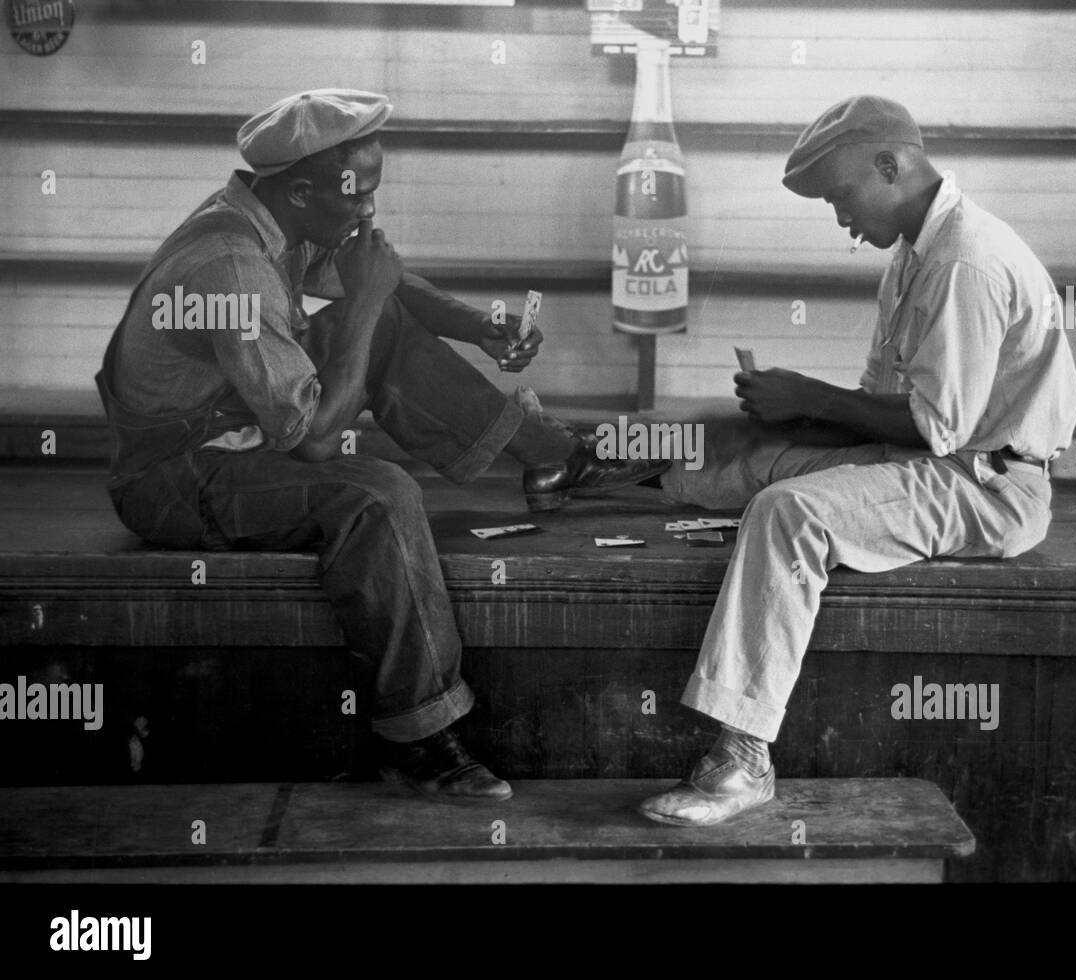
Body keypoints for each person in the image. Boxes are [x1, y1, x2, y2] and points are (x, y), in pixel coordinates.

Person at [96, 88, 666, 803]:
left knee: (382, 324)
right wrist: (366, 303)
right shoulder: (230, 267)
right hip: (178, 474)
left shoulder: (282, 217)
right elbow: (316, 438)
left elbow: (382, 276)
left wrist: (477, 326)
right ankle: (417, 737)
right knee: (380, 494)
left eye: (374, 189)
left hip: (236, 431)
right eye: (356, 194)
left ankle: (554, 455)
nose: (368, 208)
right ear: (301, 189)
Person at [639, 95, 1076, 826]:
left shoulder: (965, 261)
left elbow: (935, 428)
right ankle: (583, 459)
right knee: (745, 445)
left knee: (786, 513)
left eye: (842, 197)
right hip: (942, 457)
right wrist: (786, 417)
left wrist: (807, 395)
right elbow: (879, 411)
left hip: (987, 486)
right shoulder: (914, 255)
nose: (842, 219)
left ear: (892, 166)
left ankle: (743, 758)